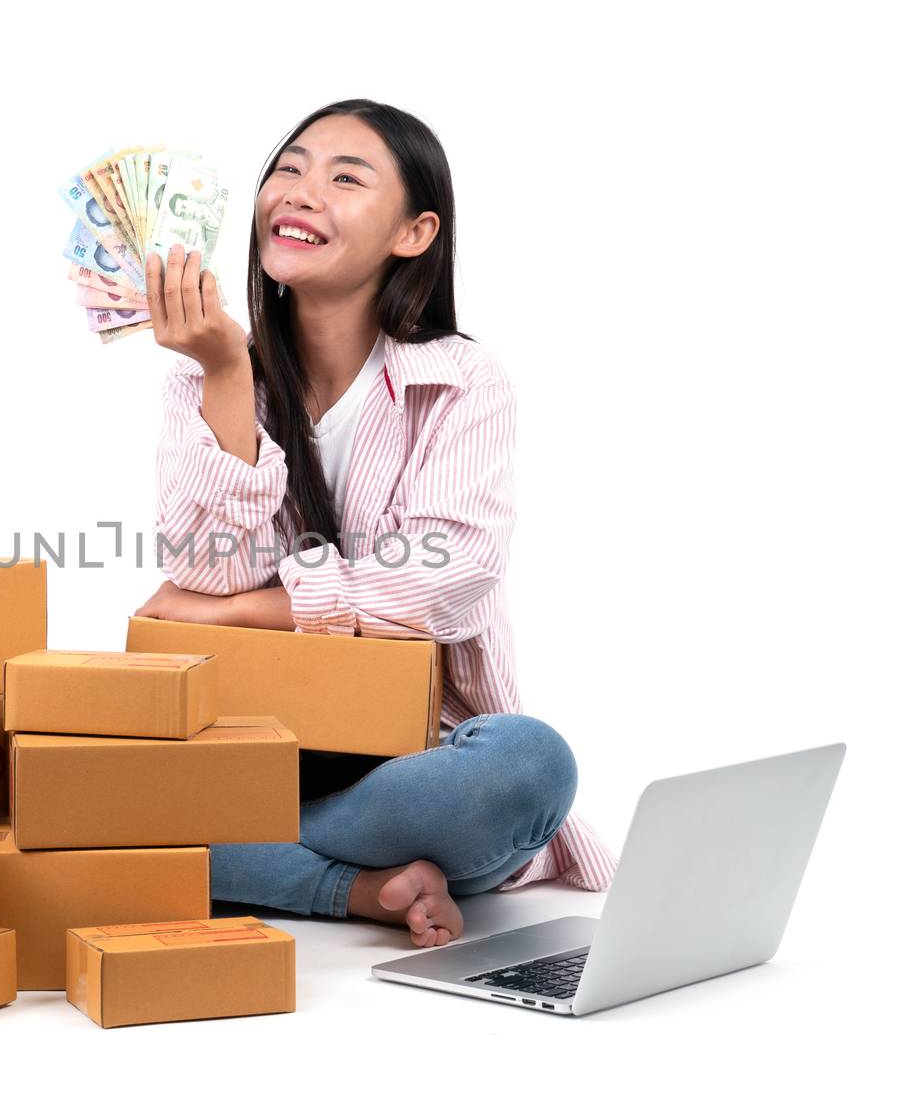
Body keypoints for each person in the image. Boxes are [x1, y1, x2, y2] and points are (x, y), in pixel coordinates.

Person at [133, 99, 615, 948]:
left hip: (410, 761)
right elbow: (203, 572)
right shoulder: (206, 379)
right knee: (49, 782)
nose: (301, 190)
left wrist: (250, 610)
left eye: (343, 177)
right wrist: (222, 371)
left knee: (530, 765)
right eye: (288, 168)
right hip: (255, 741)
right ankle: (360, 887)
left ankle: (222, 849)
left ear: (415, 232)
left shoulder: (461, 382)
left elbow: (448, 576)